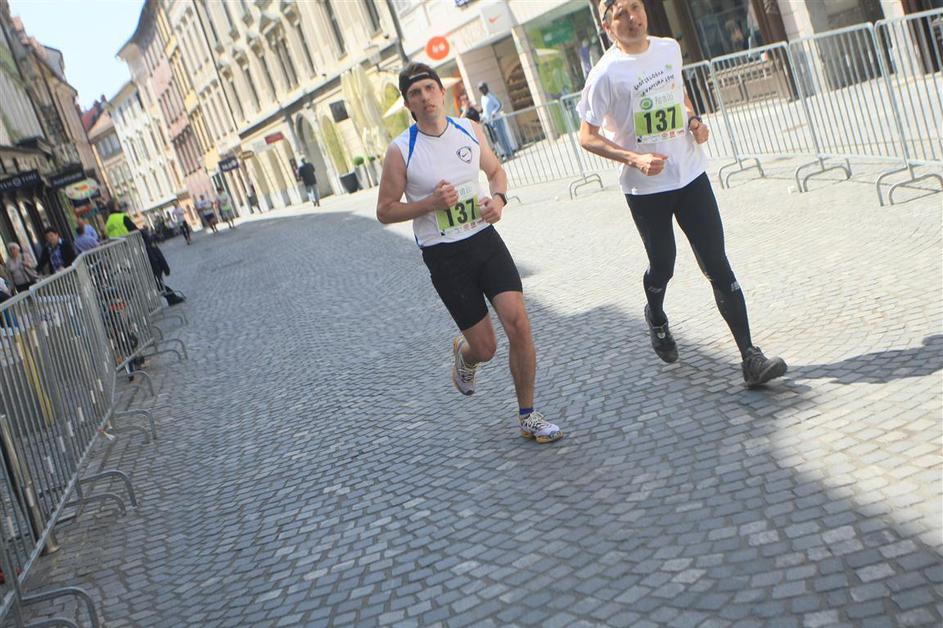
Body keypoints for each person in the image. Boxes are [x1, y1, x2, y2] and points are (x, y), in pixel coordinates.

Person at [577, 0, 786, 387]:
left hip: (690, 174)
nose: (632, 18)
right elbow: (586, 137)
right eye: (621, 14)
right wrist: (634, 158)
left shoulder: (668, 49)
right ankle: (656, 315)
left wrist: (693, 120)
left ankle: (750, 357)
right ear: (607, 26)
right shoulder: (605, 73)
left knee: (717, 263)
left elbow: (679, 96)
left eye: (636, 7)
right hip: (646, 188)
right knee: (663, 265)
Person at [377, 62, 563, 444]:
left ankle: (528, 415)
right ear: (408, 104)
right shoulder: (401, 151)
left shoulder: (468, 129)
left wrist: (499, 199)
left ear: (441, 92)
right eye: (415, 94)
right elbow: (385, 210)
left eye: (429, 89)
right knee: (486, 347)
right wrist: (429, 203)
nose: (425, 97)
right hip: (444, 255)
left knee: (518, 323)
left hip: (484, 240)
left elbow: (496, 172)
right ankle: (466, 353)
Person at [477, 82, 514, 159]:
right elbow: (485, 110)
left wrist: (494, 112)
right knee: (498, 139)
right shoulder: (483, 98)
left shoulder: (491, 96)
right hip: (490, 122)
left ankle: (509, 153)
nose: (483, 90)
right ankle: (506, 153)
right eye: (481, 89)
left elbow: (499, 105)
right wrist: (483, 117)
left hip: (497, 120)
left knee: (502, 137)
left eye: (483, 88)